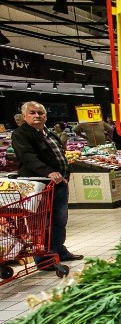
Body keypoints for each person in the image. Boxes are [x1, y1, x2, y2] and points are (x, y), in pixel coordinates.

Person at [11, 101, 83, 266]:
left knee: (59, 220)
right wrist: (47, 172)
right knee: (41, 222)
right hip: (39, 185)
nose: (37, 115)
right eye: (32, 112)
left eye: (40, 113)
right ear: (24, 116)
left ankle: (59, 251)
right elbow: (28, 157)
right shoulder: (20, 134)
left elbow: (60, 155)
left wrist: (65, 173)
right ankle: (45, 258)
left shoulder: (49, 134)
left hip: (58, 184)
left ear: (46, 116)